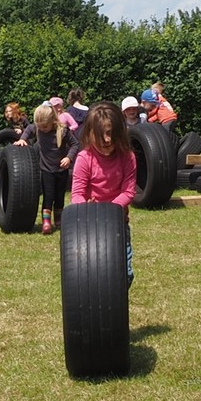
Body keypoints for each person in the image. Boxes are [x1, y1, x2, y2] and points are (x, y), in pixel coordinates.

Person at [70, 100, 137, 285]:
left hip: (117, 223)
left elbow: (128, 191)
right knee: (93, 274)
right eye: (102, 135)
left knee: (125, 275)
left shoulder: (127, 157)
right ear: (90, 134)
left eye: (111, 134)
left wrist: (111, 209)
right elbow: (77, 194)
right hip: (91, 226)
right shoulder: (85, 158)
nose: (107, 140)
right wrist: (85, 208)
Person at [16, 101, 74, 235]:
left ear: (53, 121)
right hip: (46, 170)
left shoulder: (63, 130)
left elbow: (75, 144)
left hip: (62, 170)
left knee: (59, 196)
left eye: (45, 126)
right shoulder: (37, 128)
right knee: (48, 196)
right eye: (40, 126)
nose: (42, 129)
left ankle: (58, 220)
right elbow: (29, 129)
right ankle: (46, 222)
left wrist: (69, 158)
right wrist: (23, 139)